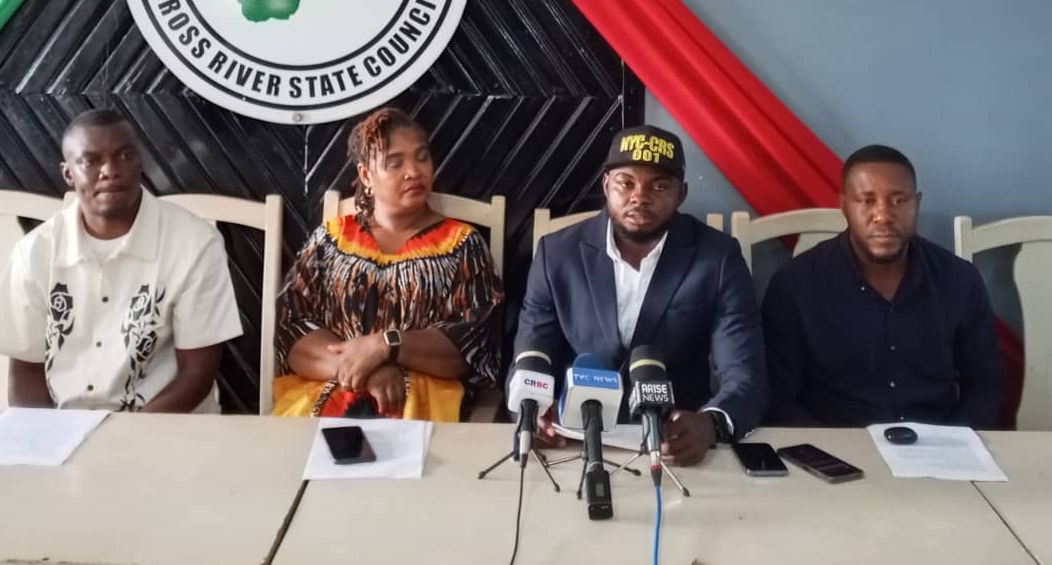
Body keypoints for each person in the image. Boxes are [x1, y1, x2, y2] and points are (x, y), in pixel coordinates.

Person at [513, 125, 768, 465]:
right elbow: (531, 353)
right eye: (626, 183)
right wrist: (532, 412)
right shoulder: (556, 254)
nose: (640, 197)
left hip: (676, 444)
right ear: (606, 185)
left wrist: (712, 424)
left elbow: (745, 371)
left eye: (659, 186)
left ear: (682, 194)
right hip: (573, 442)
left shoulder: (718, 258)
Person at [0, 109, 242, 412]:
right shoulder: (35, 251)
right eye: (90, 161)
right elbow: (26, 372)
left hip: (165, 427)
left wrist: (124, 437)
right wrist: (44, 435)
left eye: (125, 156)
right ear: (68, 173)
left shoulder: (195, 243)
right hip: (64, 427)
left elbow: (196, 376)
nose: (110, 171)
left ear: (140, 162)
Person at [273, 107, 503, 420]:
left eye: (422, 157)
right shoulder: (331, 239)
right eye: (395, 163)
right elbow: (292, 329)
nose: (414, 171)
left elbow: (474, 345)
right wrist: (360, 369)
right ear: (366, 175)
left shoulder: (462, 244)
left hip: (425, 406)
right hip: (325, 395)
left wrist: (388, 345)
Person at [761, 145, 1003, 428]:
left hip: (940, 442)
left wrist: (955, 440)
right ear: (844, 206)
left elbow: (985, 383)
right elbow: (778, 397)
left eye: (899, 201)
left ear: (917, 204)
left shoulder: (959, 280)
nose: (884, 215)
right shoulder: (796, 285)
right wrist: (828, 449)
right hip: (835, 444)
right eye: (867, 201)